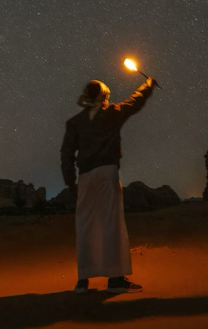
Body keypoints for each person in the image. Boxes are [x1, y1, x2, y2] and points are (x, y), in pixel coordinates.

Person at [60, 76, 155, 294]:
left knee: (85, 227)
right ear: (104, 96)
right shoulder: (112, 114)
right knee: (111, 224)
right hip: (106, 173)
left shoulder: (74, 122)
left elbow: (66, 154)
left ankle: (82, 281)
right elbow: (135, 101)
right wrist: (147, 85)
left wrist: (70, 182)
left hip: (84, 177)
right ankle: (115, 280)